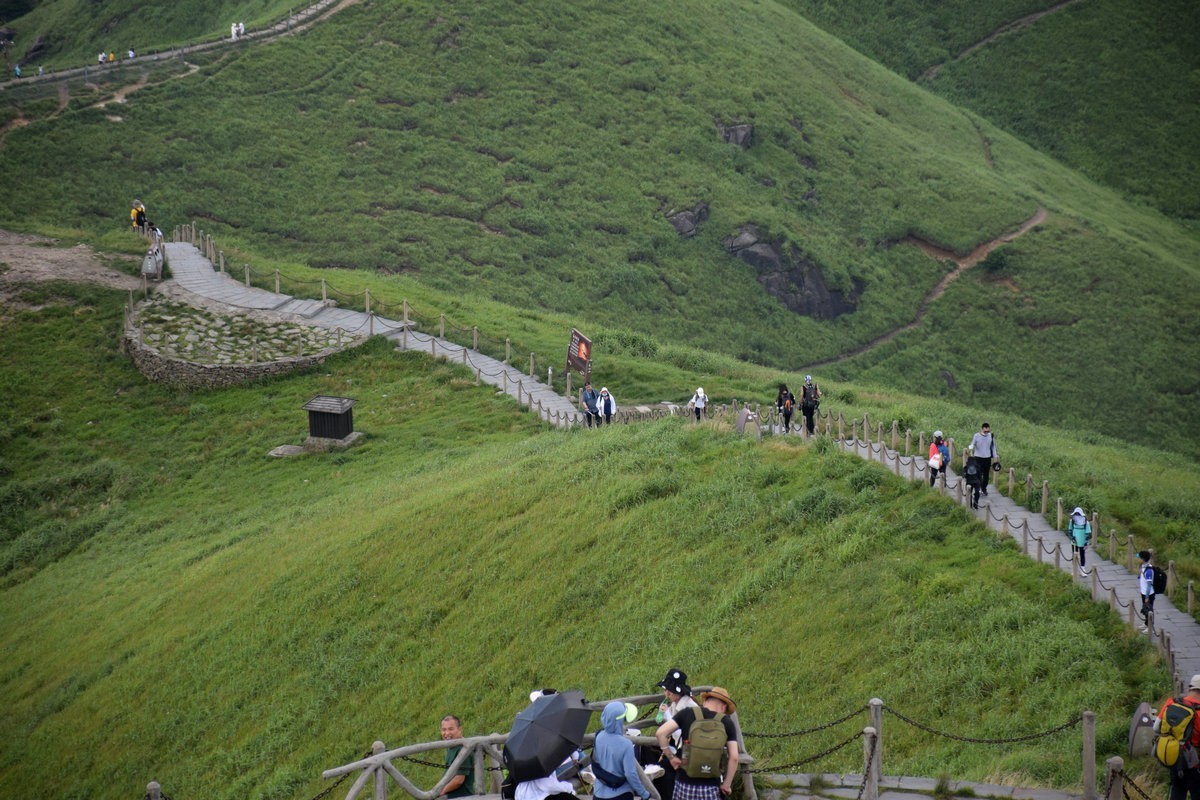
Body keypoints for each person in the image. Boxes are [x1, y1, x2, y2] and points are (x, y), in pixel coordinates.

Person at [654, 687, 739, 800]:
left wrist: (671, 757)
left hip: (684, 784)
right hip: (711, 787)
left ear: (704, 701)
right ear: (724, 707)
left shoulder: (687, 713)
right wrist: (727, 784)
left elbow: (660, 733)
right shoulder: (726, 723)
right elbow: (734, 757)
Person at [652, 668, 698, 800]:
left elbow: (685, 734)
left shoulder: (689, 707)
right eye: (665, 689)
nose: (666, 693)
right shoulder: (674, 703)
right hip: (679, 748)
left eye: (669, 690)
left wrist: (667, 715)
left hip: (689, 751)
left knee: (664, 772)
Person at [593, 701, 651, 800]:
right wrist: (644, 793)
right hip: (619, 795)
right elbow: (630, 774)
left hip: (598, 793)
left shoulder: (598, 736)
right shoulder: (626, 744)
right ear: (619, 721)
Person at [1155, 675, 1200, 799]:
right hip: (1194, 765)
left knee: (1177, 792)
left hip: (1174, 757)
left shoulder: (1172, 702)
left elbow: (1156, 727)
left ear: (1190, 688)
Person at [439, 715, 476, 798]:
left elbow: (459, 780)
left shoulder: (463, 749)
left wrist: (441, 791)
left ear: (459, 729)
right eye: (444, 729)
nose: (447, 733)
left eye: (451, 729)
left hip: (462, 796)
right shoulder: (452, 746)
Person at [968, 422, 999, 496]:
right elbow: (972, 444)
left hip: (987, 458)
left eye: (988, 431)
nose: (986, 433)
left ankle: (984, 488)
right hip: (978, 458)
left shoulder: (991, 436)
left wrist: (996, 458)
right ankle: (977, 489)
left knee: (986, 476)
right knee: (978, 475)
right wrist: (971, 448)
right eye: (985, 431)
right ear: (981, 429)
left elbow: (993, 447)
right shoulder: (976, 436)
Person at [1067, 506, 1092, 577]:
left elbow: (1088, 533)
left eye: (1078, 514)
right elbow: (1070, 530)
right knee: (1074, 555)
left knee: (1082, 555)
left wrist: (1086, 541)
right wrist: (1072, 537)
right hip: (1075, 541)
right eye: (1076, 514)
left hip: (1082, 541)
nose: (1077, 515)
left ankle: (1082, 570)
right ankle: (1074, 569)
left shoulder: (1086, 522)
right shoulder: (1072, 521)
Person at [1139, 550, 1156, 633]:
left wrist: (1147, 597)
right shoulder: (1143, 566)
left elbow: (1149, 585)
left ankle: (1150, 628)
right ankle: (1146, 624)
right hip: (1143, 592)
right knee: (1145, 609)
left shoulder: (1149, 570)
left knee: (1149, 610)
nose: (1139, 559)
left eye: (1140, 558)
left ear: (1143, 559)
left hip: (1148, 594)